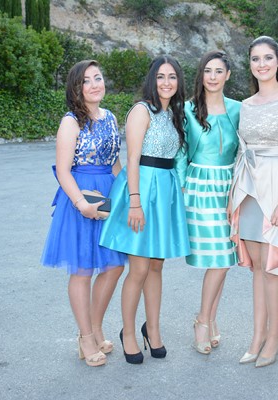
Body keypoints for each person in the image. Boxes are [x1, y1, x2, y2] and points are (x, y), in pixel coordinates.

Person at [99, 55, 190, 364]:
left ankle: (152, 329)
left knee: (156, 267)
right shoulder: (142, 110)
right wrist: (135, 202)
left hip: (164, 190)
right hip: (141, 190)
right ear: (152, 79)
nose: (167, 82)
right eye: (161, 76)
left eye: (172, 77)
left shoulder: (174, 113)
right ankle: (128, 333)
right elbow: (133, 158)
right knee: (138, 269)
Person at [230, 36, 278, 368]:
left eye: (267, 58)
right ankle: (257, 336)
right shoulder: (246, 104)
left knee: (273, 267)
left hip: (277, 187)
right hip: (249, 187)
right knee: (258, 269)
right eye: (255, 59)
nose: (261, 64)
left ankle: (274, 336)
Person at [41, 60, 125, 367]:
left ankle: (95, 326)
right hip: (80, 198)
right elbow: (63, 171)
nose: (94, 85)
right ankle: (86, 337)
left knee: (114, 265)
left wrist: (126, 194)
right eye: (86, 81)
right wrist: (81, 204)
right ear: (76, 89)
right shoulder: (71, 121)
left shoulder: (110, 117)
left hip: (107, 195)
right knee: (82, 270)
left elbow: (115, 163)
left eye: (97, 78)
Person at [175, 51, 241, 354]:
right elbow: (181, 151)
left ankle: (211, 319)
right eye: (207, 71)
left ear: (228, 75)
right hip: (200, 186)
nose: (212, 77)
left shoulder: (238, 109)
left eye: (218, 71)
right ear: (201, 75)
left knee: (225, 259)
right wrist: (182, 187)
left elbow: (244, 151)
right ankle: (202, 320)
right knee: (221, 258)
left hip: (230, 186)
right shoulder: (188, 109)